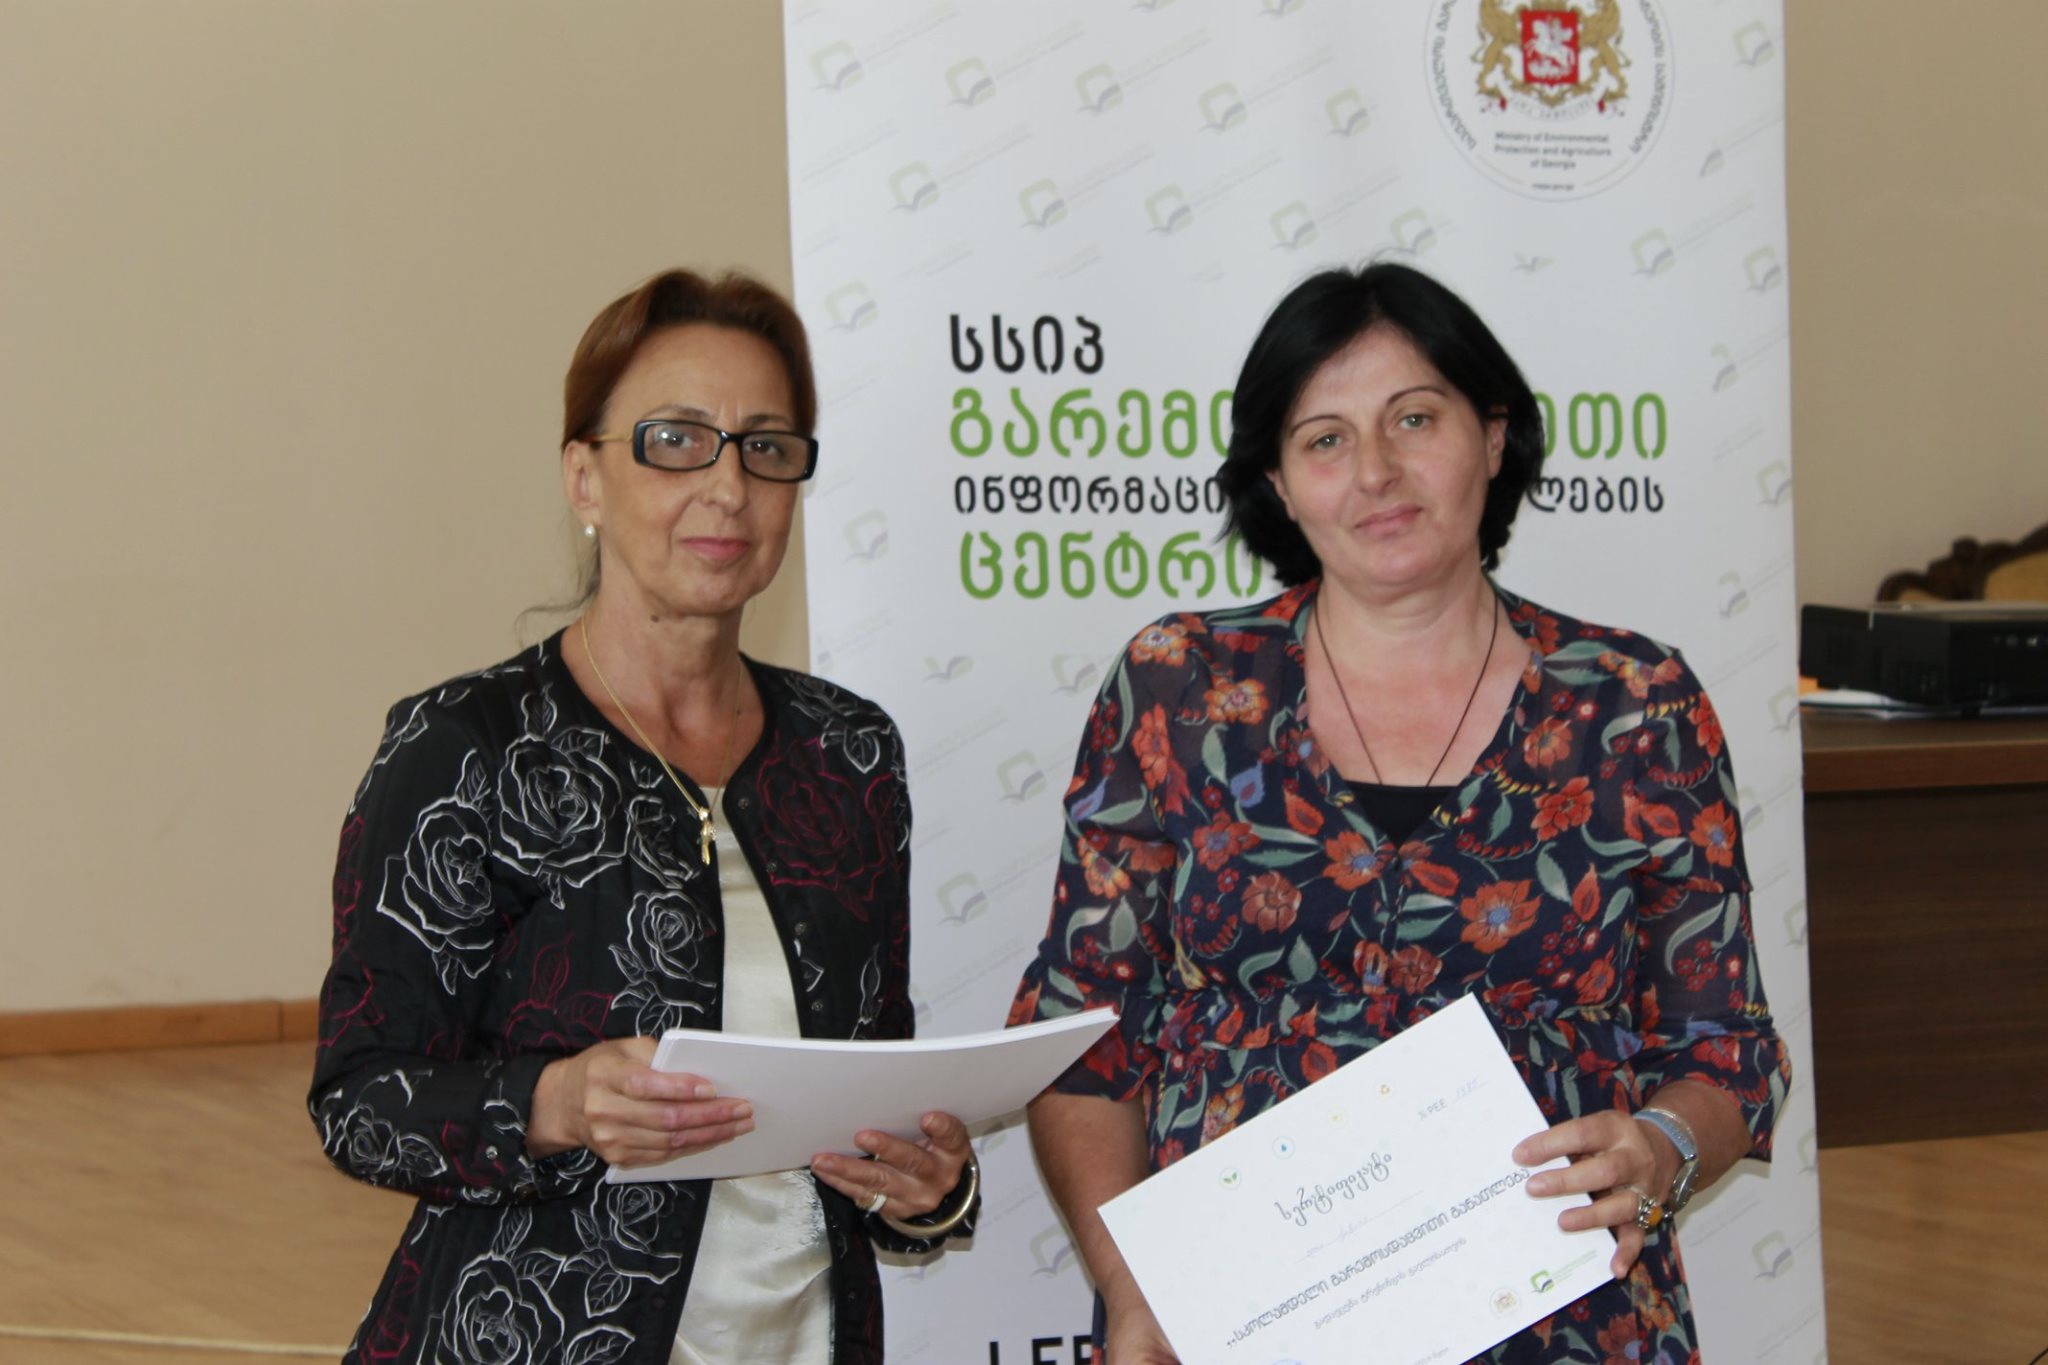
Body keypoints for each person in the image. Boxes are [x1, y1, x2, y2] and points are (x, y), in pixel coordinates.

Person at [1008, 263, 1789, 1363]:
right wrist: (1134, 1292)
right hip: (1234, 1322)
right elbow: (1080, 1038)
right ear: (1278, 484)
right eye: (1324, 439)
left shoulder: (1633, 705)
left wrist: (1660, 1147)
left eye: (1413, 418)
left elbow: (1726, 1051)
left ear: (1493, 435)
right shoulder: (1176, 687)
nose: (1374, 471)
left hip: (1565, 1319)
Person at [311, 269, 978, 1365]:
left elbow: (871, 1090)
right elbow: (358, 1098)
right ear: (584, 476)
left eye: (766, 447)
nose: (728, 486)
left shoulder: (849, 753)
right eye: (676, 441)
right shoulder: (465, 746)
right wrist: (556, 1101)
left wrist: (927, 1187)